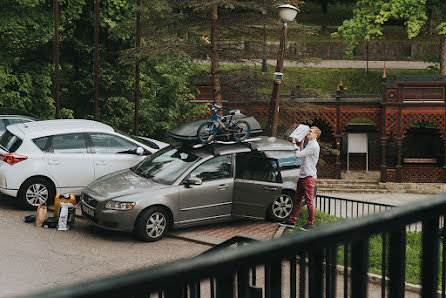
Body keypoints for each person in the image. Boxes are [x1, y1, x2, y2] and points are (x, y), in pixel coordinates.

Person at [279, 126, 321, 231]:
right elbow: (304, 154)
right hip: (303, 176)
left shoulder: (314, 145)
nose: (308, 133)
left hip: (308, 177)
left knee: (309, 201)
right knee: (297, 199)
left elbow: (298, 155)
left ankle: (310, 224)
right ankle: (292, 221)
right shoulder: (310, 144)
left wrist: (294, 143)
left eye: (311, 132)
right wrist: (301, 144)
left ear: (316, 135)